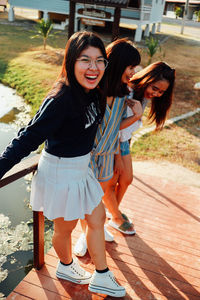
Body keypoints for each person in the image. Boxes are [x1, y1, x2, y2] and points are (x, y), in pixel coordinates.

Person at [0, 31, 126, 298]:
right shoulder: (60, 100)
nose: (94, 67)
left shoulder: (94, 91)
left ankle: (100, 276)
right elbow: (27, 138)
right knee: (64, 229)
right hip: (61, 172)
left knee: (97, 218)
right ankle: (67, 267)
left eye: (99, 60)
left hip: (82, 169)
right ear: (71, 61)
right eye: (85, 60)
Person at [74, 38, 143, 257]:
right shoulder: (94, 92)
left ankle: (94, 230)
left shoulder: (124, 94)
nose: (133, 72)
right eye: (130, 67)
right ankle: (84, 236)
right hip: (87, 157)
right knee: (86, 201)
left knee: (96, 199)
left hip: (106, 158)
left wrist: (137, 115)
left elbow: (115, 128)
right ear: (119, 64)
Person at [106, 61, 176, 233]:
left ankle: (113, 212)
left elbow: (127, 130)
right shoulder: (127, 93)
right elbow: (114, 127)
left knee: (126, 180)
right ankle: (115, 216)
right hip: (111, 143)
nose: (157, 94)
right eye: (155, 88)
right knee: (111, 181)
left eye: (161, 92)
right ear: (147, 78)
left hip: (123, 142)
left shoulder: (143, 95)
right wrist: (117, 158)